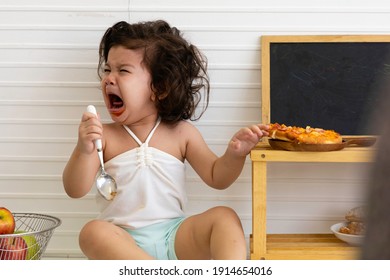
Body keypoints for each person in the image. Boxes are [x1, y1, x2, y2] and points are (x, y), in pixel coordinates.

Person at [62, 20, 269, 260]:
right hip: (122, 241)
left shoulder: (181, 133)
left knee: (225, 217)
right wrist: (84, 149)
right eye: (108, 70)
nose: (109, 78)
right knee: (92, 232)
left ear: (159, 88)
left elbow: (217, 176)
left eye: (123, 71)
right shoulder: (104, 137)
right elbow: (74, 189)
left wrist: (235, 154)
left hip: (175, 236)